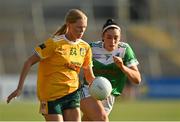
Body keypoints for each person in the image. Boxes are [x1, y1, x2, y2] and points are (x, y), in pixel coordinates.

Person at [7, 9, 95, 122]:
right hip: (50, 96)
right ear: (69, 24)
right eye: (79, 27)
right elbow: (28, 62)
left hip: (72, 94)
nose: (82, 31)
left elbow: (89, 75)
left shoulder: (85, 47)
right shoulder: (54, 43)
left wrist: (100, 85)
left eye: (84, 27)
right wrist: (19, 88)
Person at [80, 19, 141, 121]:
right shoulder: (91, 48)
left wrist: (122, 67)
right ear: (103, 37)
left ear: (120, 38)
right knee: (102, 118)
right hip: (88, 90)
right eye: (109, 37)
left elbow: (137, 79)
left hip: (108, 94)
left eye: (116, 38)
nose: (112, 41)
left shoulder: (124, 50)